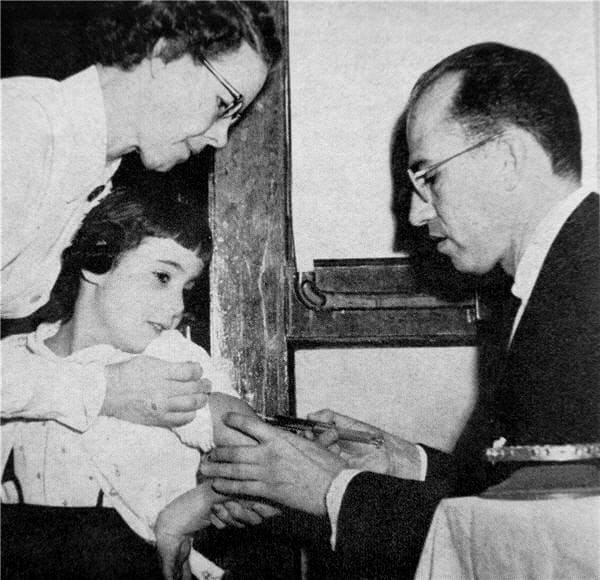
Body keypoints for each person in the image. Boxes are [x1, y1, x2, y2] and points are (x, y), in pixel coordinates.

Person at [199, 42, 600, 577]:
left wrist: (330, 490)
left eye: (429, 177)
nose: (413, 213)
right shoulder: (556, 276)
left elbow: (548, 550)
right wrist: (401, 463)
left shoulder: (585, 289)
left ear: (509, 159)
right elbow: (513, 500)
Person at [1, 1, 281, 432]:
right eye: (224, 104)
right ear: (164, 52)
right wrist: (99, 390)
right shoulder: (22, 131)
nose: (222, 136)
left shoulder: (92, 171)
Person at [1, 185, 279, 579]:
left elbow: (259, 448)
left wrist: (187, 511)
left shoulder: (168, 357)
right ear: (98, 261)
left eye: (186, 288)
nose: (178, 307)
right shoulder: (16, 359)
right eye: (162, 276)